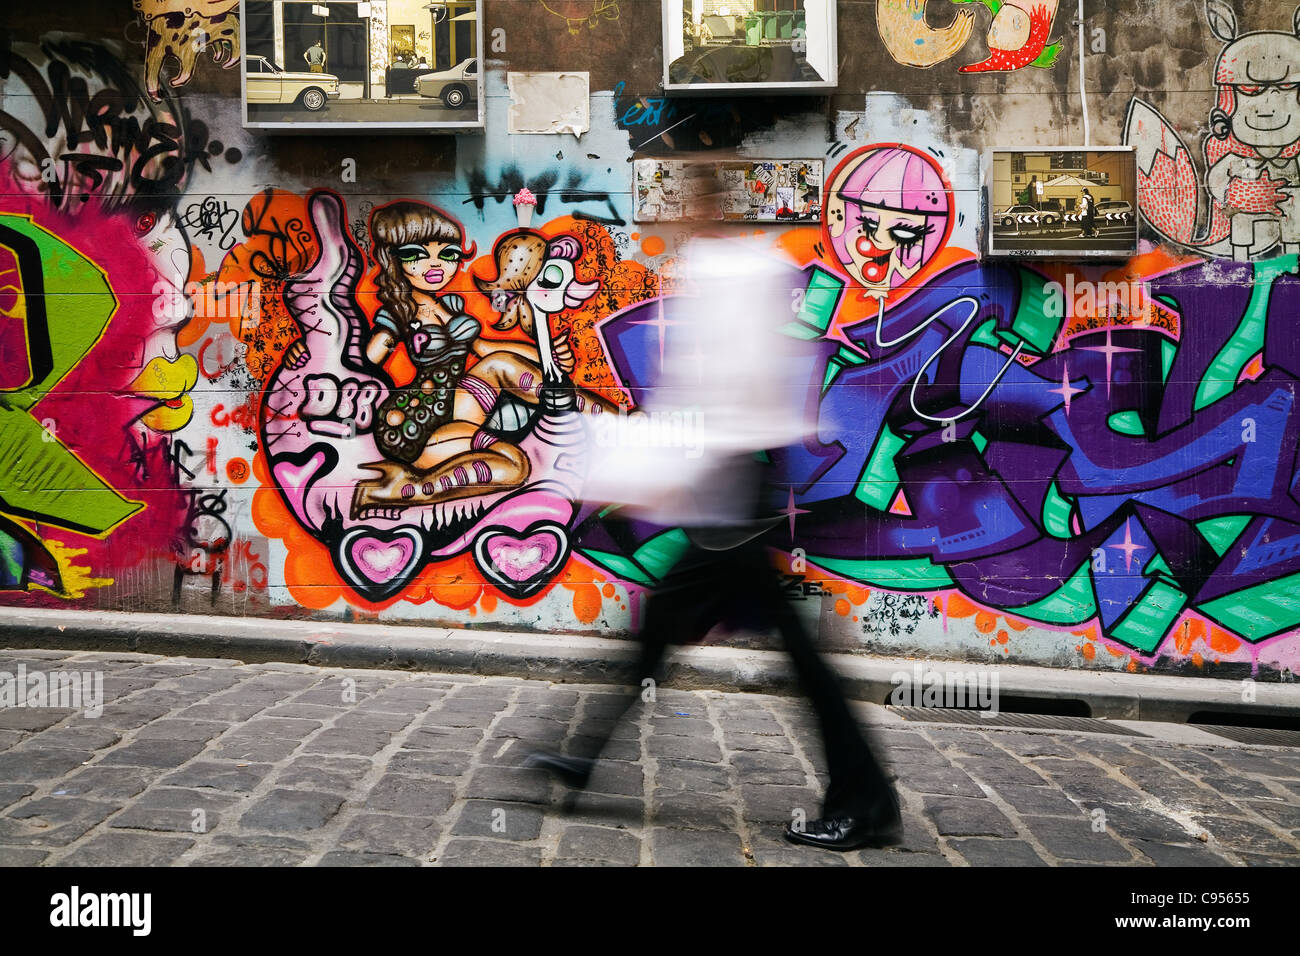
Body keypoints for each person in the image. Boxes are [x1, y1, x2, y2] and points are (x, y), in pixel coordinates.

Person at [524, 239, 902, 851]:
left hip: (735, 504)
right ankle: (581, 761)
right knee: (663, 640)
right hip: (727, 499)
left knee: (791, 661)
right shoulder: (720, 269)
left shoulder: (745, 274)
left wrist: (666, 467)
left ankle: (866, 802)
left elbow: (750, 400)